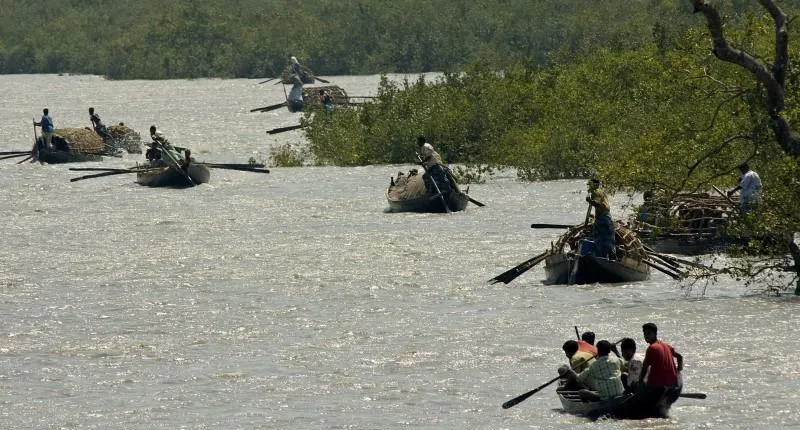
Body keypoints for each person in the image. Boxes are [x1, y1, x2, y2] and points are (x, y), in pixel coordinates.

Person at [558, 340, 625, 401]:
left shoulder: (594, 365)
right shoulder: (616, 360)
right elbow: (625, 363)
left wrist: (571, 372)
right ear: (609, 351)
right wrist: (616, 351)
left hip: (603, 396)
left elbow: (578, 379)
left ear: (598, 351)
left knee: (582, 392)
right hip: (620, 392)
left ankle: (587, 407)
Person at [639, 323, 683, 403]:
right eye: (645, 334)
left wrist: (639, 383)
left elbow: (644, 368)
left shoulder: (651, 348)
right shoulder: (666, 345)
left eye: (649, 333)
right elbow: (680, 357)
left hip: (658, 386)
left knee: (641, 384)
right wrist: (679, 369)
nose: (646, 336)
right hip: (673, 384)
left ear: (655, 334)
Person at [586, 178, 617, 258]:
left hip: (601, 217)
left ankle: (601, 256)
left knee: (599, 237)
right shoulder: (602, 191)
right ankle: (611, 251)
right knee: (609, 235)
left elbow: (597, 203)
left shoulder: (595, 192)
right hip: (607, 216)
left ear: (593, 185)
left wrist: (589, 200)